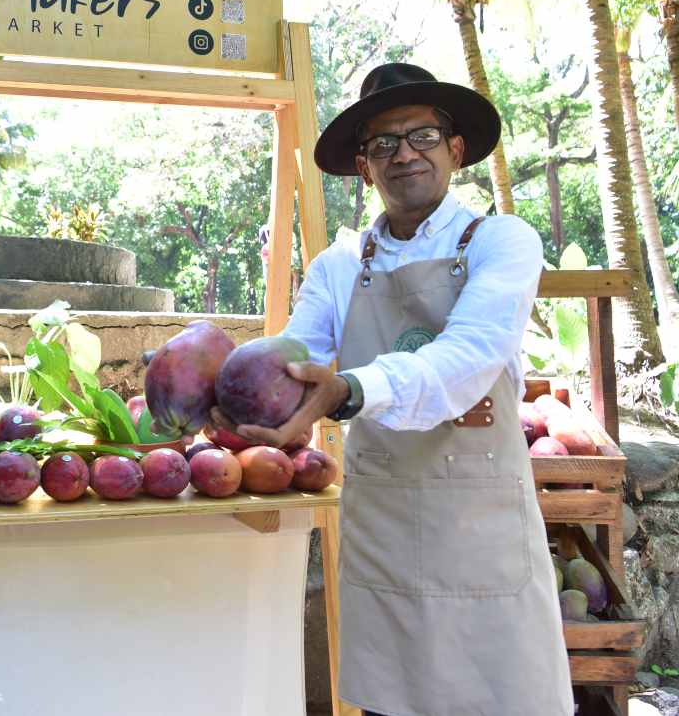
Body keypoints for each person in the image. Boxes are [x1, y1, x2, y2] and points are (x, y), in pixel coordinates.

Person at [214, 63, 571, 716]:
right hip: (384, 546)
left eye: (422, 136)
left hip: (483, 539)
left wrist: (349, 389)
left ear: (455, 150)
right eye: (384, 143)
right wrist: (213, 371)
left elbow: (468, 357)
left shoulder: (501, 242)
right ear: (363, 165)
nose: (404, 153)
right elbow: (298, 363)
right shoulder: (339, 269)